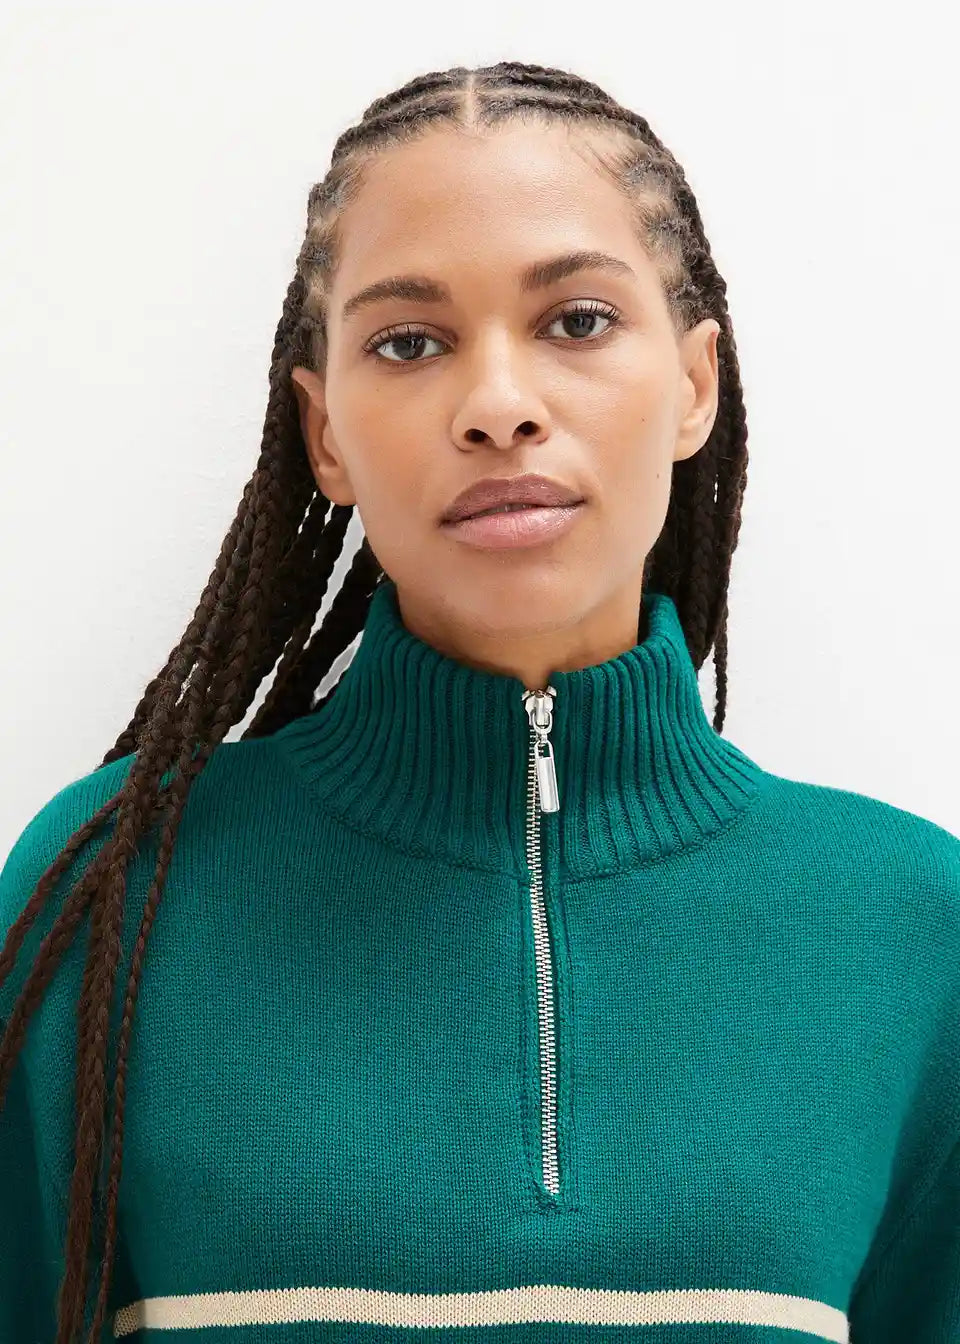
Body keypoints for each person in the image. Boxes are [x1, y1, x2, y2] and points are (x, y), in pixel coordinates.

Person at [1, 59, 958, 1344]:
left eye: (577, 321)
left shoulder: (912, 930)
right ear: (325, 432)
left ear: (695, 386)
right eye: (409, 342)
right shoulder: (110, 892)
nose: (500, 407)